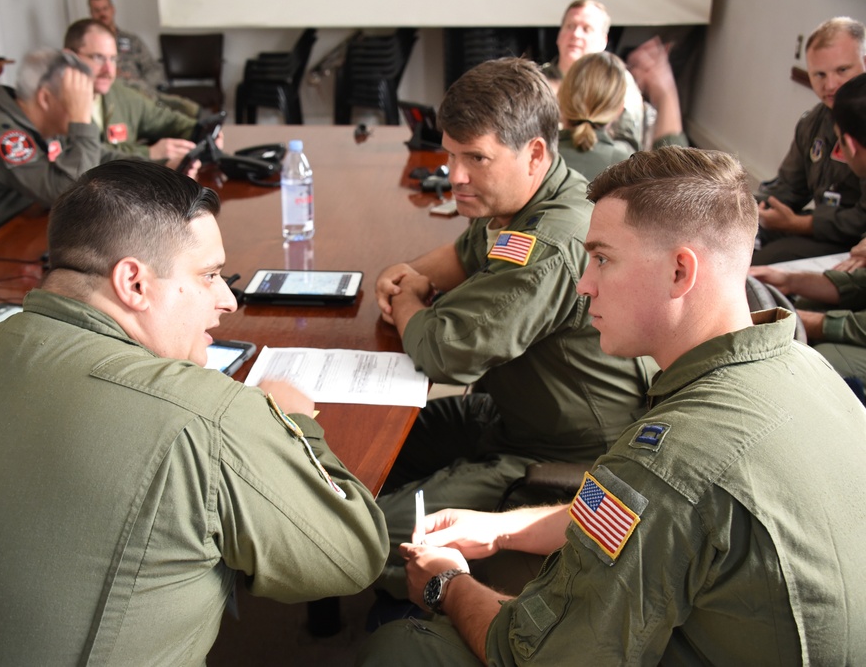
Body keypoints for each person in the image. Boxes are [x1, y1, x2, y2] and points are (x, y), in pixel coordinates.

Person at [359, 146, 866, 666]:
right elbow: (657, 522)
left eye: (602, 259)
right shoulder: (811, 370)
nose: (585, 284)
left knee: (400, 646)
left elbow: (533, 655)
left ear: (679, 272)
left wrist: (446, 585)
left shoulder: (669, 461)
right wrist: (501, 527)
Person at [0, 159, 388, 664]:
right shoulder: (207, 417)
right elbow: (351, 555)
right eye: (209, 275)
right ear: (134, 283)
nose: (227, 299)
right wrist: (291, 423)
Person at [373, 57, 653, 600]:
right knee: (380, 443)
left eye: (475, 158)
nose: (455, 176)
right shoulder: (520, 195)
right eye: (450, 155)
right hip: (513, 410)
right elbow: (464, 250)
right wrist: (410, 272)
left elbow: (445, 350)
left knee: (368, 531)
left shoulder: (550, 242)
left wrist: (407, 299)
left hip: (565, 451)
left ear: (536, 154)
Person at [750, 72, 866, 390]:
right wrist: (791, 280)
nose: (830, 83)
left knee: (824, 361)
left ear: (850, 145)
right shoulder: (813, 122)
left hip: (834, 244)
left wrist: (802, 322)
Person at [0, 48, 104, 255]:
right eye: (77, 101)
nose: (85, 108)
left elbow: (97, 156)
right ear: (45, 99)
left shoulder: (43, 126)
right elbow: (73, 195)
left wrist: (152, 165)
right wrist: (80, 121)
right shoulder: (3, 137)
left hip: (22, 238)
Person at [752, 17, 866, 265]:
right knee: (733, 240)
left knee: (763, 264)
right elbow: (789, 187)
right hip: (820, 225)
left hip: (853, 242)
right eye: (819, 74)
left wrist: (800, 224)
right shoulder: (813, 122)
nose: (831, 85)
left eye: (842, 70)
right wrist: (746, 209)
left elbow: (861, 219)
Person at [65, 19, 205, 171]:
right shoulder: (52, 106)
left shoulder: (122, 94)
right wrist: (148, 153)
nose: (109, 70)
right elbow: (89, 155)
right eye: (98, 58)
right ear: (69, 57)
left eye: (112, 59)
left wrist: (202, 132)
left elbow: (167, 120)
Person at [556, 48, 686, 181]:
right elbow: (679, 179)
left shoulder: (540, 157)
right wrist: (666, 95)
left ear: (560, 98)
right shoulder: (631, 168)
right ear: (619, 109)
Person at [540, 0, 646, 150]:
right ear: (559, 35)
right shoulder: (537, 80)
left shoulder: (620, 82)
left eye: (586, 29)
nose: (576, 34)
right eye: (570, 26)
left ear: (603, 41)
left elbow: (628, 141)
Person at [86, 0, 201, 117]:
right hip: (117, 97)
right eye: (97, 10)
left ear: (112, 9)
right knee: (169, 116)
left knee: (189, 109)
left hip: (144, 92)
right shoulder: (89, 46)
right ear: (91, 13)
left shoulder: (131, 40)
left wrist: (143, 84)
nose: (102, 14)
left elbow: (153, 68)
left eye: (105, 9)